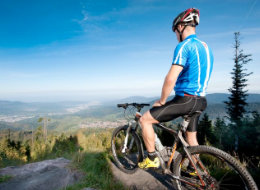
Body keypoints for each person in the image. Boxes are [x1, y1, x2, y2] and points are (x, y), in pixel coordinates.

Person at [138, 8, 214, 169]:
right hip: (201, 100)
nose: (175, 36)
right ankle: (195, 170)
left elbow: (171, 78)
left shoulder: (184, 46)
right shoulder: (206, 47)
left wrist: (162, 100)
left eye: (174, 31)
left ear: (180, 27)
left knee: (145, 120)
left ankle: (152, 159)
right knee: (191, 138)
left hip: (186, 99)